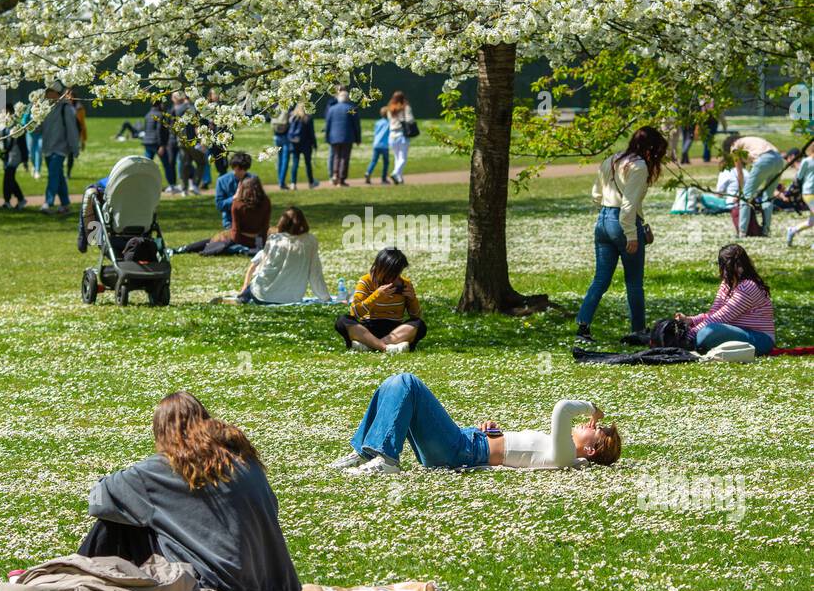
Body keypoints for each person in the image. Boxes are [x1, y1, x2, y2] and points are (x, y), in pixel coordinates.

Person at [77, 391, 301, 591]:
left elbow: (98, 500)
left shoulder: (165, 467)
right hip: (278, 589)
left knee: (116, 520)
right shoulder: (244, 460)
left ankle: (80, 583)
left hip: (218, 587)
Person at [331, 376, 621, 476]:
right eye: (593, 421)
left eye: (594, 427)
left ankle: (388, 460)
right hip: (467, 441)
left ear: (592, 449)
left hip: (461, 450)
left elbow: (562, 409)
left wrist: (592, 407)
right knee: (394, 384)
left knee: (408, 383)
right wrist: (493, 431)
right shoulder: (563, 451)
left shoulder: (567, 456)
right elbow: (515, 451)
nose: (588, 422)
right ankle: (366, 452)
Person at [576, 126, 668, 342]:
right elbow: (628, 205)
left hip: (603, 221)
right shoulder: (639, 166)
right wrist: (631, 235)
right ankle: (638, 330)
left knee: (600, 280)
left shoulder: (611, 159)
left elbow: (596, 195)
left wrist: (608, 213)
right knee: (634, 282)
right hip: (623, 223)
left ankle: (583, 327)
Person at [676, 243, 775, 355]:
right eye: (733, 264)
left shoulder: (748, 286)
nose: (737, 268)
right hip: (736, 331)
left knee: (709, 332)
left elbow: (723, 316)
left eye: (739, 264)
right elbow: (714, 314)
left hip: (760, 339)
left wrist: (690, 334)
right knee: (707, 330)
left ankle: (690, 343)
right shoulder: (727, 284)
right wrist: (691, 320)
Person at [219, 206, 331, 304]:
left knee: (253, 287)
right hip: (291, 297)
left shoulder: (274, 239)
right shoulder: (310, 241)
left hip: (263, 295)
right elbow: (315, 274)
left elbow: (264, 267)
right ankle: (242, 297)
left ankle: (242, 297)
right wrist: (325, 297)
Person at [335, 247, 427, 353]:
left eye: (398, 273)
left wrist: (412, 299)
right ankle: (385, 348)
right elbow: (354, 313)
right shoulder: (366, 281)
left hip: (395, 330)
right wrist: (376, 296)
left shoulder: (405, 284)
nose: (395, 278)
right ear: (380, 268)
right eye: (391, 274)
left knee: (419, 324)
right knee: (342, 320)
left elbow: (415, 316)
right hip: (367, 329)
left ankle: (369, 346)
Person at [172, 174, 270, 256]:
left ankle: (183, 249)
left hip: (240, 240)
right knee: (218, 241)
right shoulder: (266, 202)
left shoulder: (237, 204)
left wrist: (233, 241)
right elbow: (265, 227)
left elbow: (236, 230)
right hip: (256, 241)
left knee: (212, 242)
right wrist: (262, 243)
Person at [721, 132, 785, 238]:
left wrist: (740, 192)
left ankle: (742, 233)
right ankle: (765, 231)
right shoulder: (749, 141)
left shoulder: (734, 146)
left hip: (764, 159)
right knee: (768, 197)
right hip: (778, 159)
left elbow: (740, 173)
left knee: (745, 197)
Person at [39, 81, 80, 215]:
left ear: (55, 93)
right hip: (47, 148)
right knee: (59, 177)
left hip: (60, 149)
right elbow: (37, 130)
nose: (46, 95)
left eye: (48, 92)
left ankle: (48, 202)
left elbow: (72, 130)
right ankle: (65, 204)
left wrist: (75, 148)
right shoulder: (45, 108)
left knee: (53, 175)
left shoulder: (66, 108)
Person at [325, 89, 361, 185]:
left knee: (336, 156)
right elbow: (356, 125)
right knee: (344, 158)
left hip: (334, 137)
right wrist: (358, 138)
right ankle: (341, 179)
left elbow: (327, 124)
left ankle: (335, 175)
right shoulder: (351, 108)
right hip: (347, 137)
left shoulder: (332, 109)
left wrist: (327, 137)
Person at [141, 100, 177, 192]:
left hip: (147, 143)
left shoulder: (147, 114)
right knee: (167, 165)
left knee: (146, 166)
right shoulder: (160, 115)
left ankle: (143, 184)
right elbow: (159, 131)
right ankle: (172, 185)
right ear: (159, 104)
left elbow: (146, 130)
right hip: (157, 144)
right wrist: (162, 145)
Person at [0, 105, 28, 210]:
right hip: (6, 157)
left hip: (15, 156)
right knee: (10, 179)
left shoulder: (16, 126)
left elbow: (23, 144)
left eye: (5, 112)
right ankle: (19, 200)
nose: (3, 115)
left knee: (8, 177)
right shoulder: (1, 126)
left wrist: (25, 160)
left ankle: (9, 201)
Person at [383, 91, 415, 184]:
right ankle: (395, 173)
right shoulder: (405, 107)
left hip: (392, 135)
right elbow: (410, 120)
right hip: (402, 135)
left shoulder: (390, 108)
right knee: (403, 158)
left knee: (397, 158)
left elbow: (389, 120)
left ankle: (399, 179)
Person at [786, 143, 814, 245]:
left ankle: (792, 230)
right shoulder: (806, 161)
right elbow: (799, 177)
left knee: (812, 222)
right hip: (809, 192)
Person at [287, 104, 319, 189]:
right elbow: (311, 133)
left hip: (294, 143)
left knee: (295, 163)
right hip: (306, 144)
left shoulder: (292, 118)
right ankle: (311, 183)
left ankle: (293, 183)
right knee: (308, 164)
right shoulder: (308, 118)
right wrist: (315, 144)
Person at [364, 114, 391, 184]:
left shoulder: (378, 122)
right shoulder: (388, 122)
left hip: (376, 144)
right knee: (386, 162)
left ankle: (368, 172)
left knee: (374, 161)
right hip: (384, 145)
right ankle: (384, 178)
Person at [66, 92, 87, 179]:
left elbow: (82, 125)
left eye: (70, 95)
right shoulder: (62, 107)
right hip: (64, 134)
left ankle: (68, 173)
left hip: (75, 135)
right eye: (67, 95)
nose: (69, 97)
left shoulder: (79, 108)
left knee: (71, 155)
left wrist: (83, 140)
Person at [271, 107, 292, 189]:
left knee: (279, 159)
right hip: (285, 137)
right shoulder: (288, 108)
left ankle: (280, 180)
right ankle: (281, 182)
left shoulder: (276, 108)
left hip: (276, 136)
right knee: (285, 160)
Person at [22, 103, 43, 179]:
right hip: (30, 134)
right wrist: (26, 125)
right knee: (31, 153)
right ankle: (34, 166)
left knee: (39, 150)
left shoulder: (43, 106)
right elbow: (24, 120)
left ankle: (37, 170)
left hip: (41, 133)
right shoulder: (29, 107)